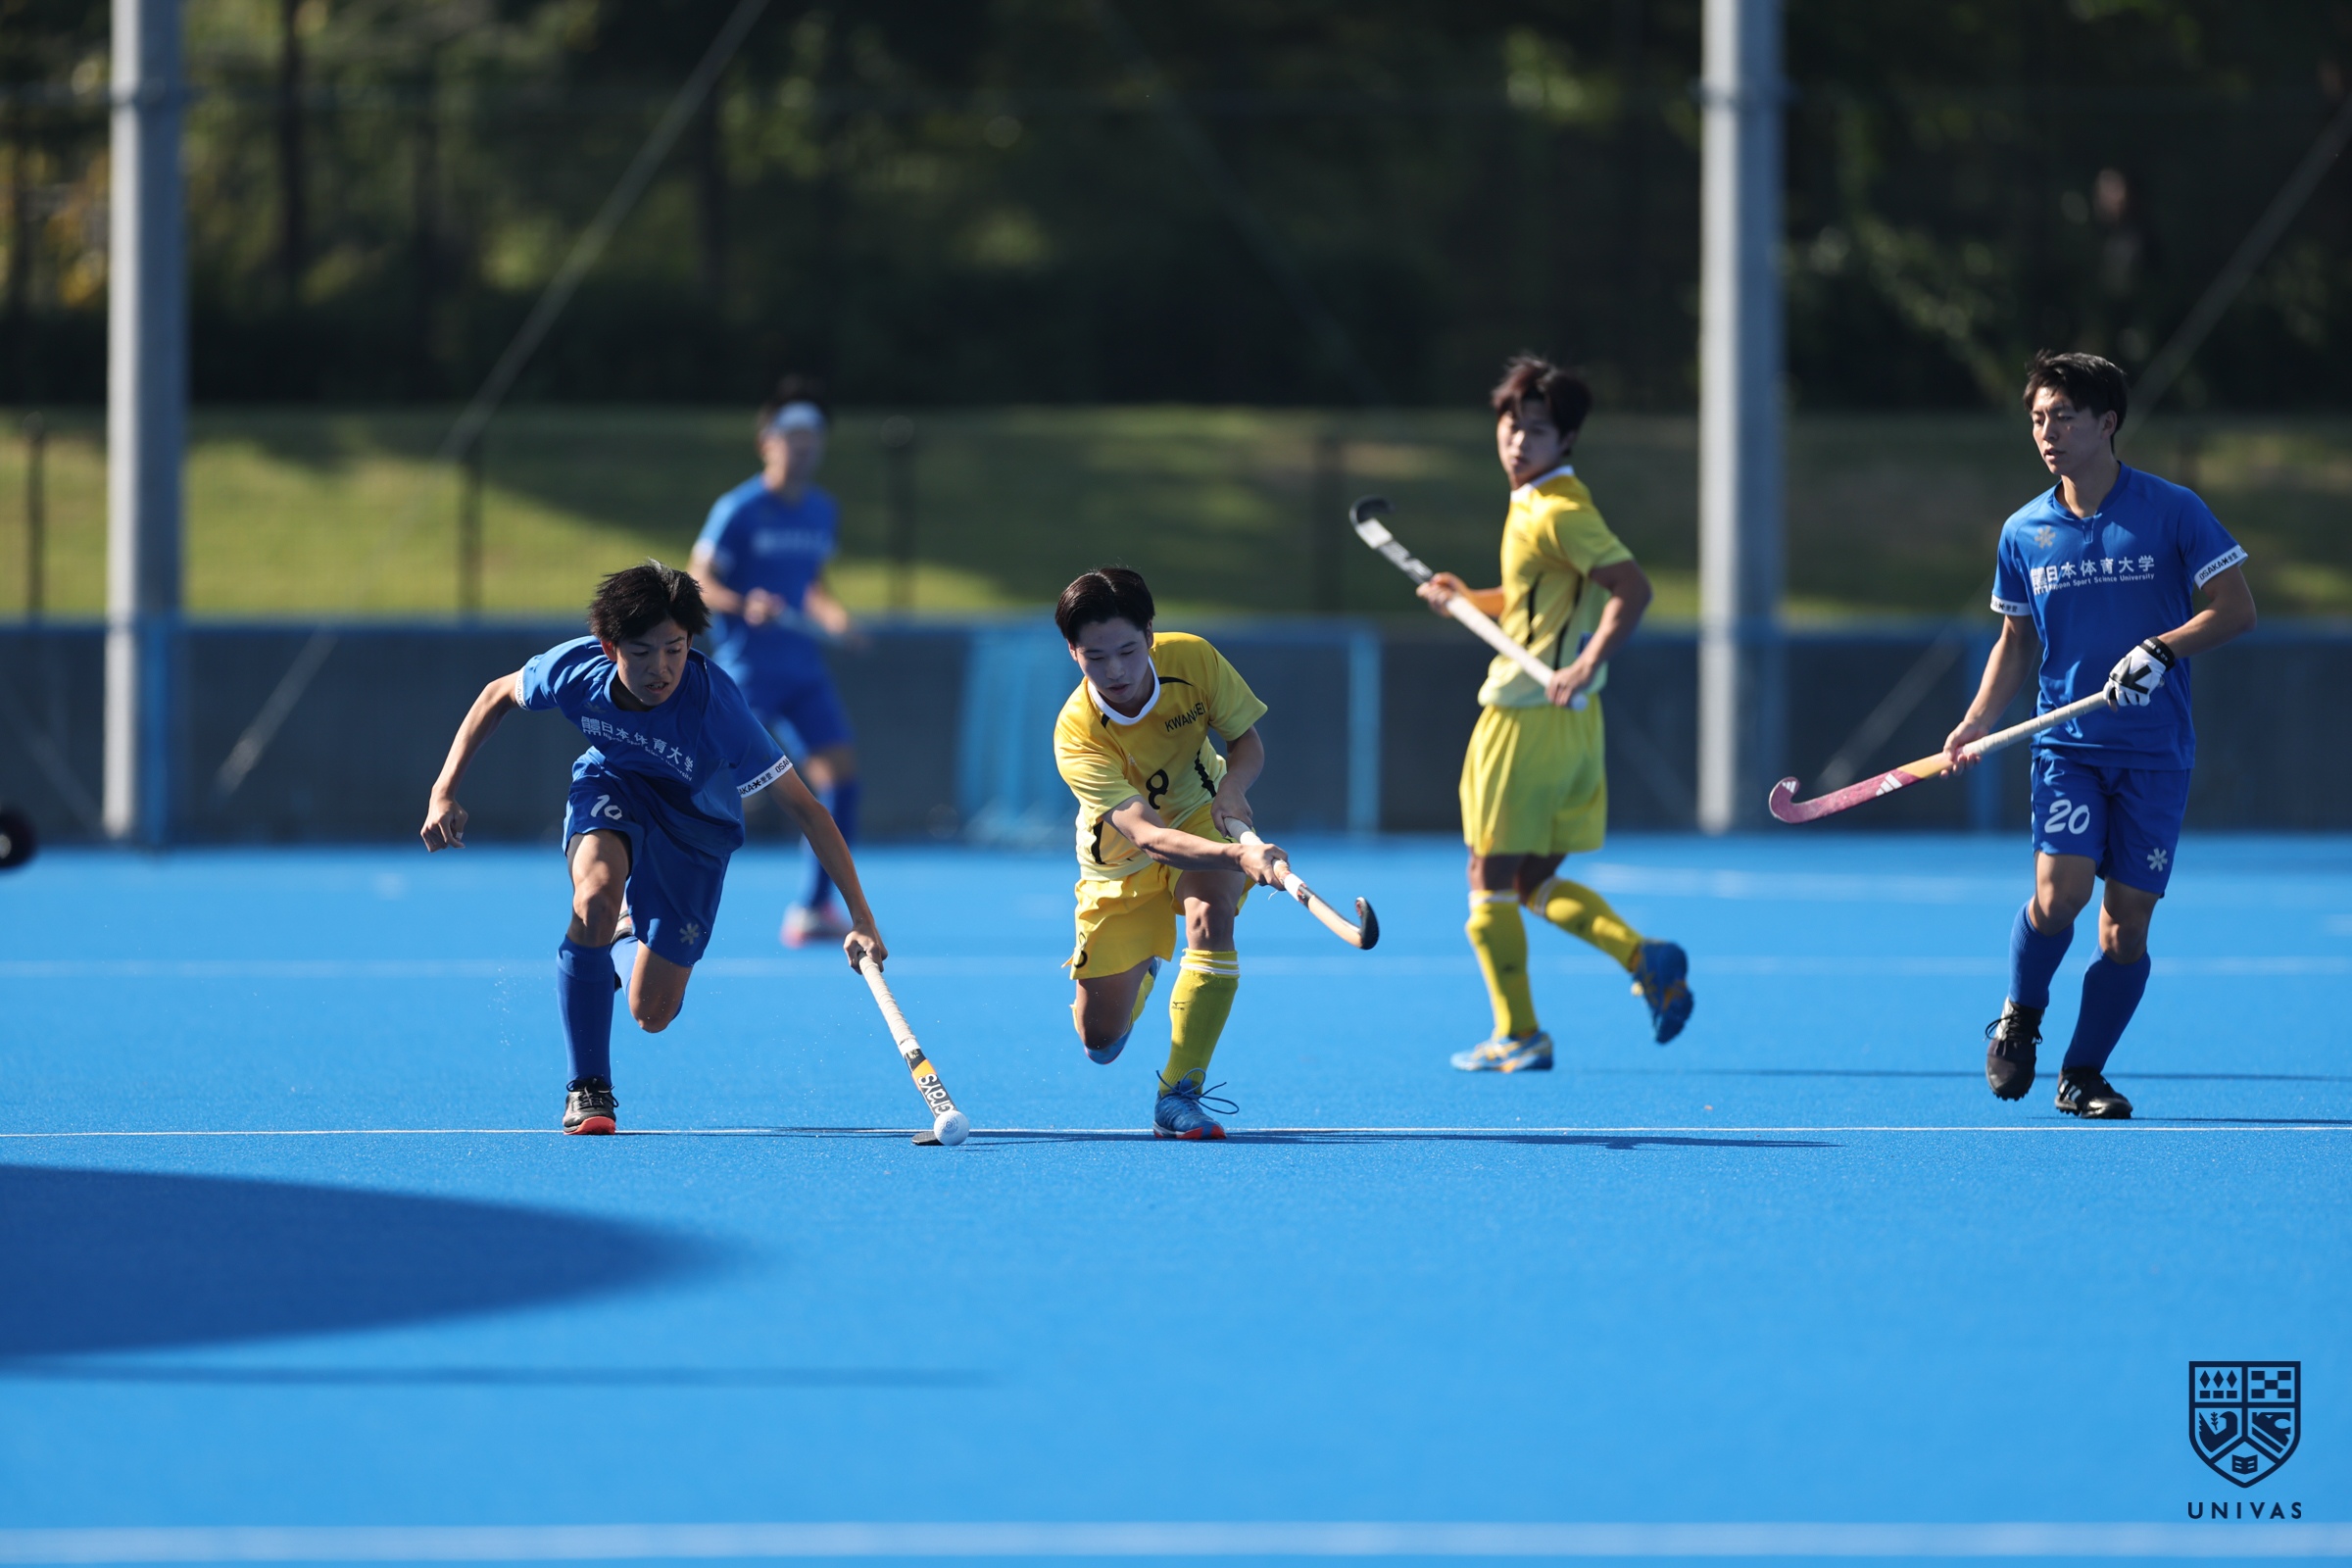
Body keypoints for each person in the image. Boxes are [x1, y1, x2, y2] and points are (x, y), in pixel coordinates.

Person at [420, 561, 883, 1135]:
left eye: (674, 649)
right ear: (610, 647)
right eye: (641, 652)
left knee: (652, 1013)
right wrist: (444, 791)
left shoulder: (719, 709)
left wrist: (861, 918)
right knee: (594, 897)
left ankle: (624, 936)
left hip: (697, 830)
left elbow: (810, 810)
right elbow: (498, 694)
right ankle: (589, 1088)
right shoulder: (575, 670)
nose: (660, 668)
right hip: (613, 785)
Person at [1949, 351, 2256, 1119]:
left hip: (2155, 752)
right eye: (2037, 419)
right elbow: (2016, 641)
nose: (2046, 433)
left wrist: (2163, 649)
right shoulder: (2024, 532)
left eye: (2063, 417)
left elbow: (2235, 608)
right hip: (2070, 750)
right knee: (2061, 894)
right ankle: (2020, 1016)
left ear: (2107, 422)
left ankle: (2083, 1073)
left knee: (2125, 929)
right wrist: (1977, 720)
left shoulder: (2172, 509)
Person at [1417, 354, 1692, 1073]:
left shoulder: (1559, 509)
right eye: (1511, 425)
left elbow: (1632, 588)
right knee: (1530, 882)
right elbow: (1533, 600)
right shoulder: (1538, 502)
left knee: (1486, 876)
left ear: (1566, 439)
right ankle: (1643, 956)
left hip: (1528, 716)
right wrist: (1467, 600)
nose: (1518, 441)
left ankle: (1520, 1034)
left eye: (1536, 430)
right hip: (1570, 721)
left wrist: (1587, 661)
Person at [1051, 567, 1295, 1140]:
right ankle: (1142, 969)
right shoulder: (1076, 733)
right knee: (1099, 1040)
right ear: (1073, 652)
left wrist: (1232, 789)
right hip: (1121, 859)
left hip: (1201, 814)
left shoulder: (1194, 659)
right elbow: (1148, 838)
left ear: (1150, 635)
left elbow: (1245, 740)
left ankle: (1179, 1093)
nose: (1115, 671)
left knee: (1212, 916)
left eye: (1128, 651)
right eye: (1095, 657)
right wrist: (1239, 858)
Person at [690, 375, 864, 949]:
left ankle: (812, 908)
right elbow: (698, 580)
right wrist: (745, 603)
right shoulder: (739, 509)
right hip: (749, 672)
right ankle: (653, 888)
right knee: (703, 781)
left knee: (841, 780)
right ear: (767, 442)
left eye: (813, 437)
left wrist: (835, 617)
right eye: (792, 436)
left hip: (803, 671)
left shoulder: (822, 510)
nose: (803, 447)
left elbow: (811, 585)